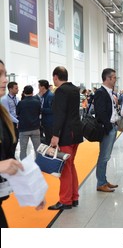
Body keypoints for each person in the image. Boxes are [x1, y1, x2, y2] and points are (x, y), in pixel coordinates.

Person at [0, 60, 45, 227]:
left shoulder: (3, 115)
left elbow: (9, 161)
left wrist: (32, 191)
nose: (5, 80)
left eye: (5, 74)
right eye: (0, 74)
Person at [48, 66, 84, 210]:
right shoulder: (75, 89)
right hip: (75, 133)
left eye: (53, 78)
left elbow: (60, 114)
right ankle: (74, 197)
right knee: (70, 165)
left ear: (56, 77)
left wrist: (55, 135)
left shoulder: (61, 91)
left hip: (65, 134)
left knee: (64, 168)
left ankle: (65, 200)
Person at [94, 68, 119, 192]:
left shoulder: (110, 92)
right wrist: (109, 127)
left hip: (112, 127)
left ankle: (103, 180)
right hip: (107, 129)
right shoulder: (101, 92)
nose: (115, 79)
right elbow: (100, 112)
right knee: (104, 156)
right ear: (108, 78)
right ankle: (101, 182)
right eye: (114, 77)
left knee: (106, 156)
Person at [16, 85, 41, 161]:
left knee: (23, 149)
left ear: (24, 93)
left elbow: (17, 113)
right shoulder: (37, 102)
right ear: (32, 92)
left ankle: (24, 166)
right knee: (37, 149)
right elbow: (39, 112)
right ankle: (39, 164)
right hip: (35, 128)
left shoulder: (21, 103)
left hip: (24, 129)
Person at [1, 81, 19, 153]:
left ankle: (12, 156)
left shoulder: (17, 98)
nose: (18, 89)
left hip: (16, 122)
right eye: (16, 88)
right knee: (10, 142)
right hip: (9, 123)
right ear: (10, 89)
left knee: (16, 140)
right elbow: (7, 114)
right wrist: (18, 121)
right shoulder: (4, 99)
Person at [37, 79, 54, 145]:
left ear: (43, 87)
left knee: (49, 139)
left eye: (39, 86)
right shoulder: (44, 95)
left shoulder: (50, 96)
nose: (38, 87)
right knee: (47, 138)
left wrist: (41, 109)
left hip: (49, 122)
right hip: (45, 121)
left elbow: (52, 110)